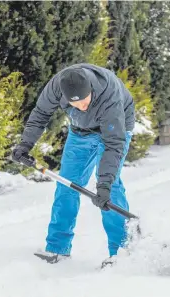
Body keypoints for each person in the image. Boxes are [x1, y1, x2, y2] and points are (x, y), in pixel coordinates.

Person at [12, 63, 135, 266]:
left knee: (110, 188)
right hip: (79, 132)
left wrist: (103, 185)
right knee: (66, 185)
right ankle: (58, 249)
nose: (81, 107)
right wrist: (25, 145)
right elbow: (40, 114)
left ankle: (120, 253)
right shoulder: (55, 87)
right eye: (75, 104)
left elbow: (114, 144)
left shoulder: (108, 94)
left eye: (85, 102)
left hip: (114, 132)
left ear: (91, 91)